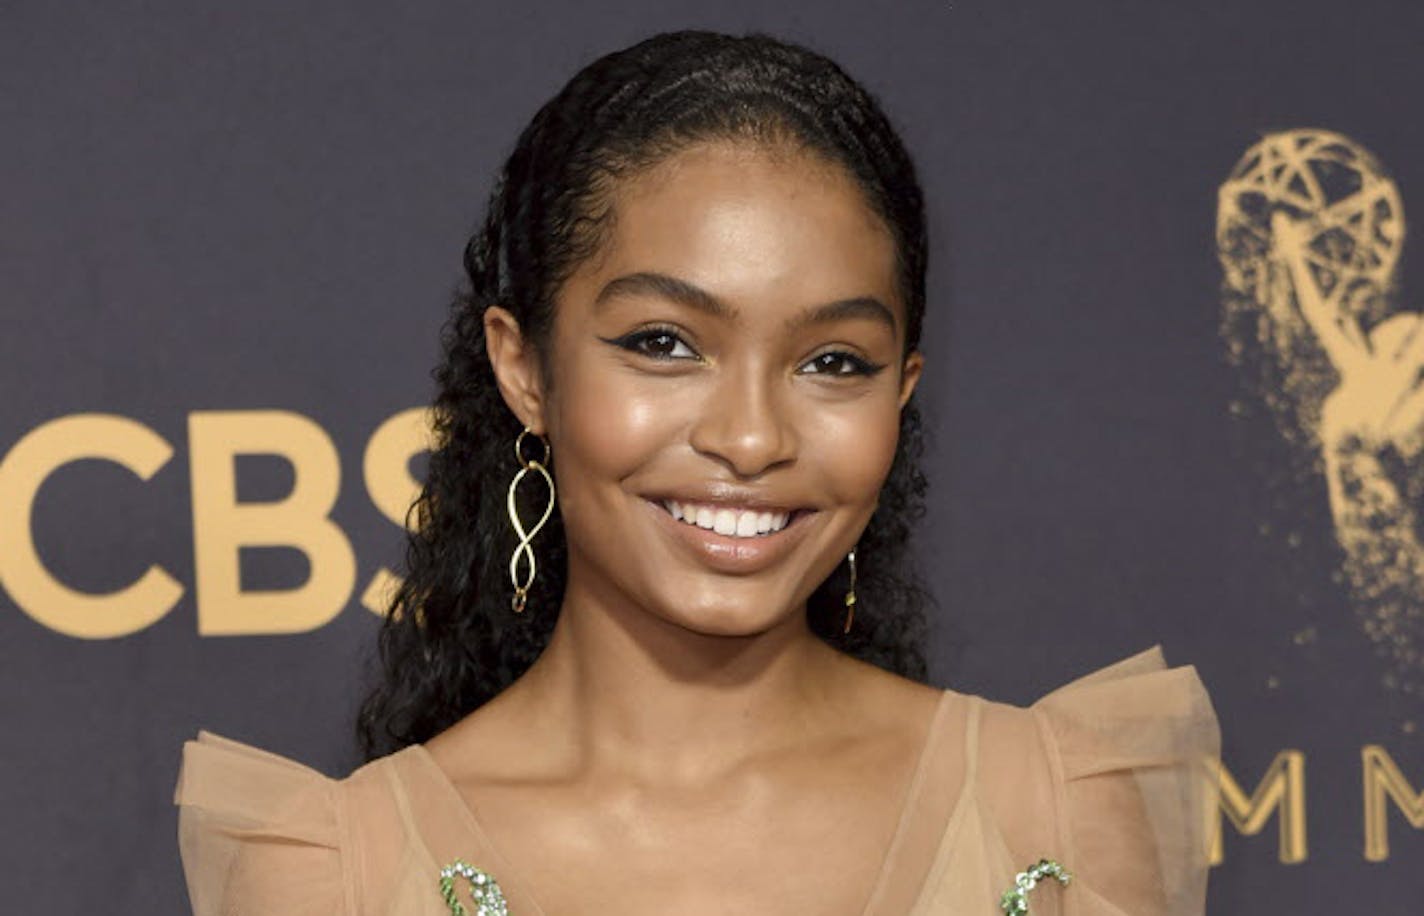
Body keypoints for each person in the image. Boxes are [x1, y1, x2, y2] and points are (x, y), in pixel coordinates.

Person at [173, 29, 1220, 916]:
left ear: (901, 388)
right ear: (523, 366)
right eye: (663, 343)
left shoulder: (1058, 811)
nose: (751, 437)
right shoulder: (333, 878)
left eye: (831, 362)